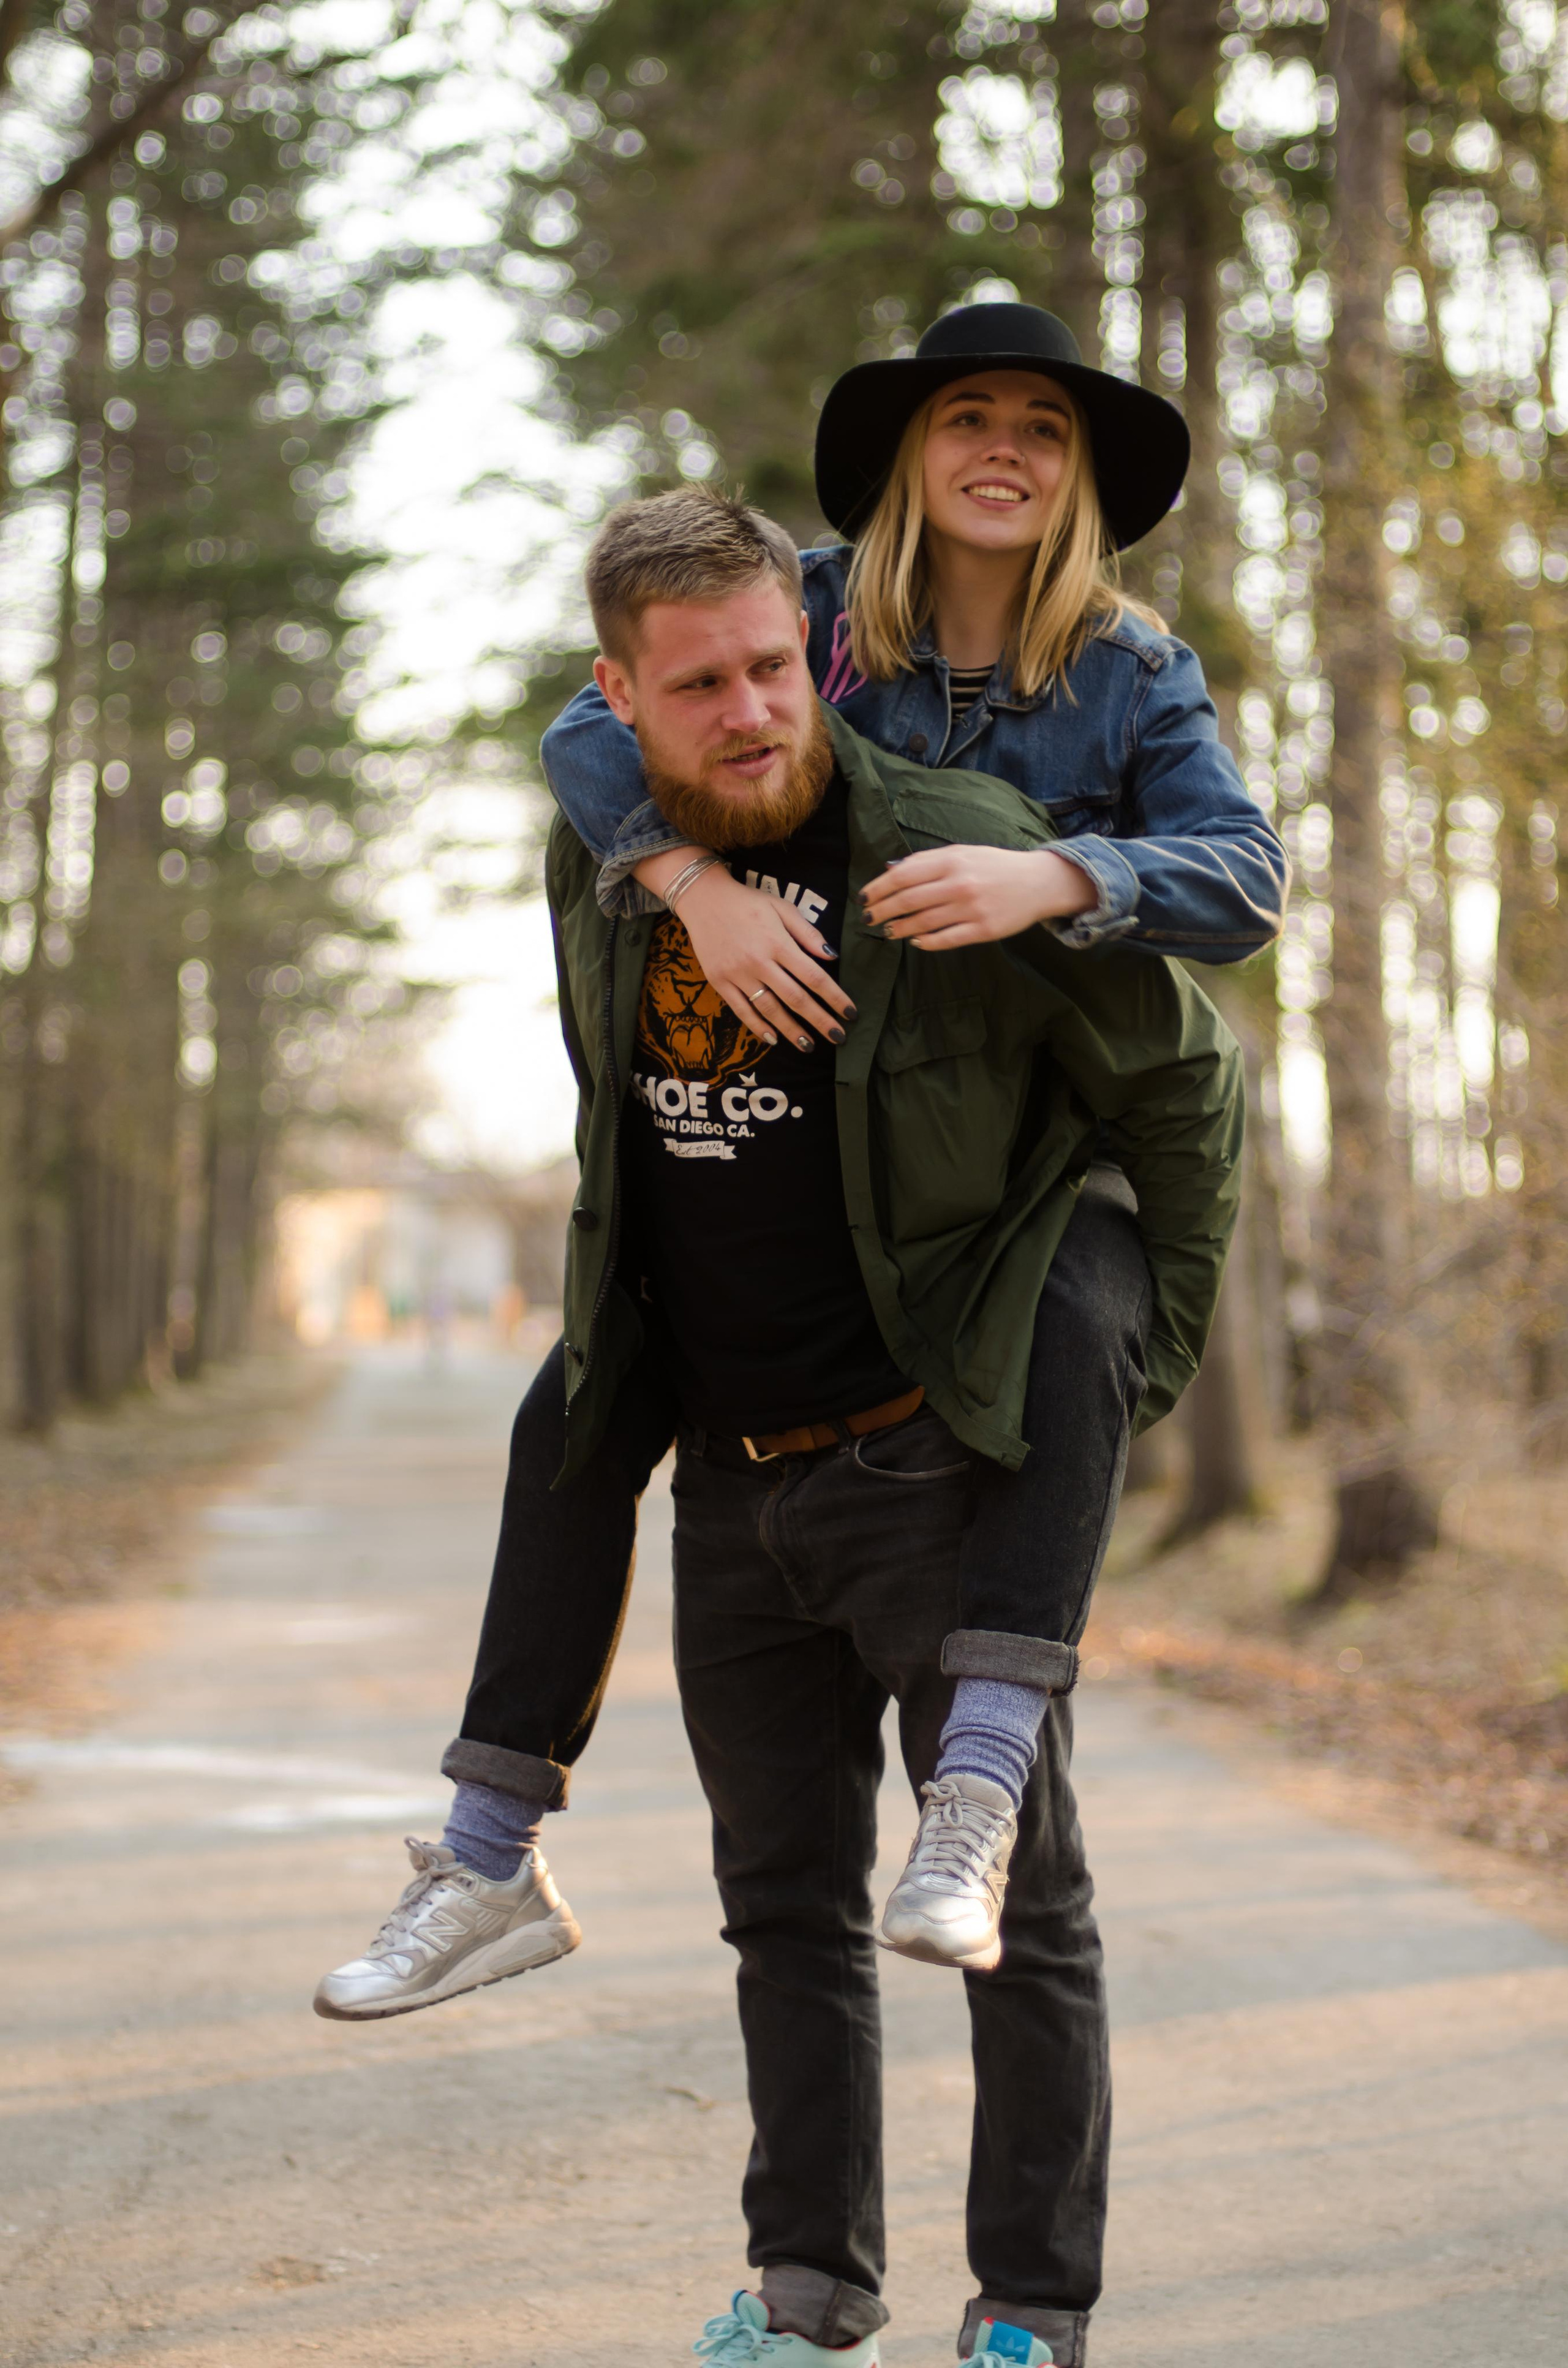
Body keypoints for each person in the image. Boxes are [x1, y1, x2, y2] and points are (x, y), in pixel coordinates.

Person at [322, 487, 1243, 2365]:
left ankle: (1031, 2315)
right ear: (620, 700)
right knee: (785, 1908)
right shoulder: (603, 865)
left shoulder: (953, 844)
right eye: (699, 685)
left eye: (770, 667)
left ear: (811, 652)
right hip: (734, 1480)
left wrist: (1131, 1348)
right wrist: (685, 882)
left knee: (1017, 1902)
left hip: (932, 1458)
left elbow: (1186, 1084)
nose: (749, 710)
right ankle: (811, 2289)